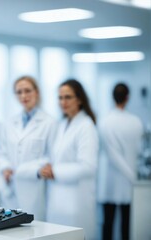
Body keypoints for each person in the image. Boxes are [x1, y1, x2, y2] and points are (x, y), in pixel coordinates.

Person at [39, 79, 98, 240]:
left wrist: (55, 171)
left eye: (68, 97)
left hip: (76, 202)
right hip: (57, 200)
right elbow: (57, 156)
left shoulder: (86, 126)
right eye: (60, 97)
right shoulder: (62, 124)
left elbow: (88, 167)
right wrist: (48, 166)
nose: (62, 102)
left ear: (79, 99)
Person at [0, 76, 56, 220]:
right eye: (19, 92)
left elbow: (52, 157)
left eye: (27, 91)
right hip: (11, 186)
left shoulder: (49, 123)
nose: (23, 96)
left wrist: (31, 170)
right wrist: (4, 167)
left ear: (37, 92)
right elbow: (0, 154)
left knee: (34, 232)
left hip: (34, 187)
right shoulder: (9, 123)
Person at [98, 83, 144, 240]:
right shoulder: (136, 122)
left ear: (112, 97)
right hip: (130, 180)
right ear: (128, 97)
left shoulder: (105, 121)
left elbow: (111, 153)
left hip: (110, 180)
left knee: (108, 223)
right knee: (127, 223)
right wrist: (132, 175)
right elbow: (139, 150)